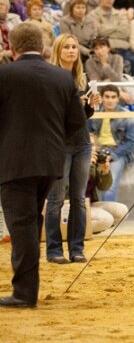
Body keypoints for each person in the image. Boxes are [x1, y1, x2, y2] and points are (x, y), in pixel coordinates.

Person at [0, 23, 86, 308]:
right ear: (43, 46)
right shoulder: (62, 77)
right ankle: (26, 288)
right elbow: (77, 122)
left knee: (22, 223)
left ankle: (25, 293)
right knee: (30, 219)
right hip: (50, 160)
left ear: (13, 47)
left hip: (14, 161)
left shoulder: (4, 74)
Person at [46, 33, 101, 265]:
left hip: (81, 143)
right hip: (59, 144)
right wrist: (72, 105)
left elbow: (83, 118)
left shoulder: (82, 79)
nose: (71, 50)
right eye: (66, 47)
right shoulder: (50, 78)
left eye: (74, 47)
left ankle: (77, 249)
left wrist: (90, 106)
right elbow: (48, 114)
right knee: (56, 198)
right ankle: (53, 250)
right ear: (58, 50)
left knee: (79, 198)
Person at [89, 84, 134, 202]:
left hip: (116, 153)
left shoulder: (126, 115)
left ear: (118, 98)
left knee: (109, 187)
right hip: (96, 151)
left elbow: (131, 143)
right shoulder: (93, 113)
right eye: (107, 97)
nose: (110, 100)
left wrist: (113, 155)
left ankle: (108, 218)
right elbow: (87, 135)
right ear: (102, 97)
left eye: (113, 97)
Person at [88, 0, 134, 76]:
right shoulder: (92, 15)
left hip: (124, 49)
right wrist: (117, 27)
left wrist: (105, 28)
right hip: (105, 51)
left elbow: (126, 32)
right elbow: (99, 32)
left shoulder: (120, 14)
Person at [86, 134, 129, 233]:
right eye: (87, 145)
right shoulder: (72, 162)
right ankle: (71, 230)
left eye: (92, 145)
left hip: (90, 204)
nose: (90, 148)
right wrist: (88, 166)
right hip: (73, 206)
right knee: (106, 219)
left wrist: (105, 173)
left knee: (122, 210)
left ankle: (89, 227)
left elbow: (103, 187)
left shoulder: (94, 162)